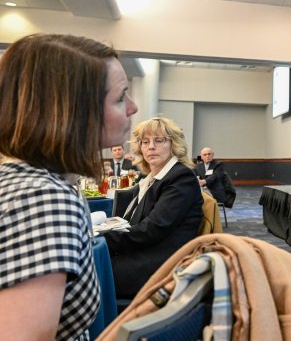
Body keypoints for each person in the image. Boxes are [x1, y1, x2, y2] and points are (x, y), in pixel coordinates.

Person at [0, 33, 138, 340]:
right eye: (119, 97)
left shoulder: (26, 181)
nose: (133, 107)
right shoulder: (44, 199)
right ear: (75, 112)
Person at [104, 116, 204, 299]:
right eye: (145, 142)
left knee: (91, 270)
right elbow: (134, 223)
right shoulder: (150, 179)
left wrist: (104, 239)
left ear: (174, 145)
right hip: (145, 252)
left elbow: (150, 230)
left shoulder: (181, 178)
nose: (151, 147)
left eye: (159, 140)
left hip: (160, 264)